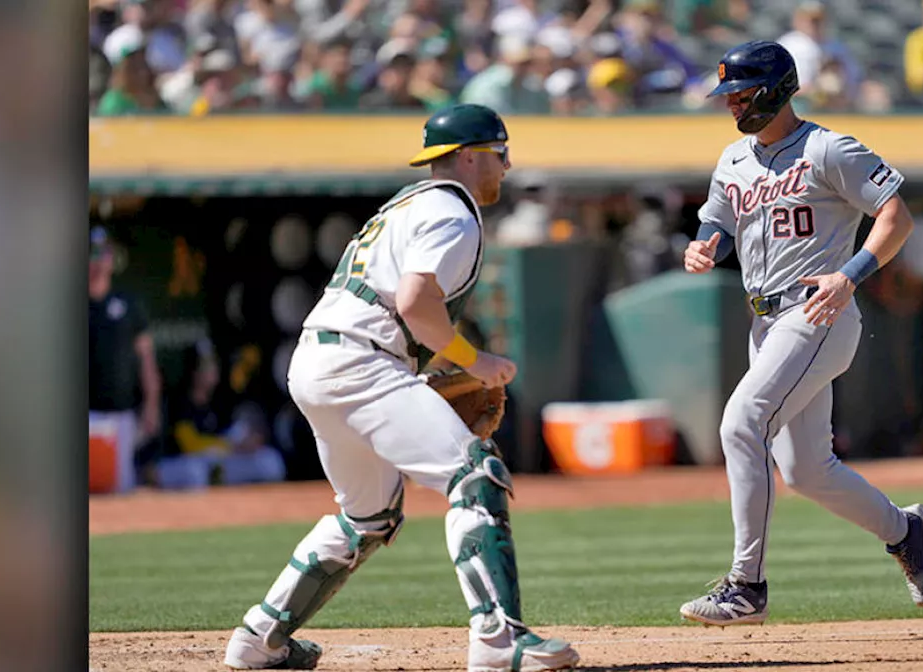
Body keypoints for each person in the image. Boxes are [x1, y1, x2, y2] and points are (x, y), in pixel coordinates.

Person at [222, 104, 579, 671]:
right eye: (499, 153)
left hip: (321, 360)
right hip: (364, 364)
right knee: (475, 472)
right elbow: (416, 304)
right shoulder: (451, 210)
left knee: (366, 516)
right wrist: (475, 360)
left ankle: (260, 637)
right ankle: (497, 639)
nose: (506, 165)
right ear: (468, 157)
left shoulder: (406, 204)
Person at [677, 41, 923, 626]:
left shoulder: (828, 149)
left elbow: (896, 216)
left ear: (773, 90)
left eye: (740, 94)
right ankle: (906, 529)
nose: (731, 105)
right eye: (728, 95)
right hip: (765, 321)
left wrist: (850, 276)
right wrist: (705, 244)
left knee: (741, 424)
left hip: (818, 311)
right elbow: (716, 216)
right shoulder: (733, 159)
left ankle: (747, 585)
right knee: (805, 470)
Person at [154, 339, 287, 490]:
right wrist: (231, 446)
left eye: (213, 364)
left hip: (219, 461)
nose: (213, 369)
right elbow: (190, 445)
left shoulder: (219, 400)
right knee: (197, 472)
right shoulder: (179, 402)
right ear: (194, 370)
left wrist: (248, 440)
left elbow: (234, 430)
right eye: (206, 365)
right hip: (183, 464)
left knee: (270, 461)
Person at [89, 226, 162, 494]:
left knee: (120, 490)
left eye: (103, 253)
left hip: (120, 417)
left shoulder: (128, 304)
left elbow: (147, 359)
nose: (97, 260)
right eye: (91, 253)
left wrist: (151, 404)